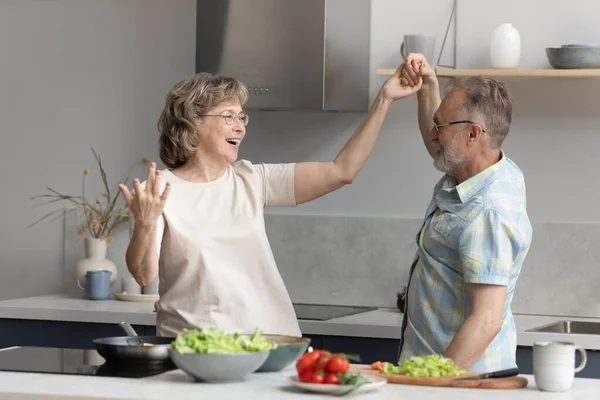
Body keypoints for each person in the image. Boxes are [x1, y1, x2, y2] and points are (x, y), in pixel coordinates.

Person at [118, 67, 419, 338]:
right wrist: (145, 223)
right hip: (195, 352)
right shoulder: (157, 192)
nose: (240, 126)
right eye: (228, 116)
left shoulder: (252, 180)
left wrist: (384, 100)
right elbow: (144, 274)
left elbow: (342, 171)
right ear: (192, 122)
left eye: (241, 117)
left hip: (268, 346)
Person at [396, 53, 533, 372]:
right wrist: (428, 86)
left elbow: (486, 320)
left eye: (440, 127)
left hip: (462, 381)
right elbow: (441, 148)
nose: (432, 134)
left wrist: (433, 386)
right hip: (448, 375)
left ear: (473, 134)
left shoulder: (488, 211)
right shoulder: (484, 170)